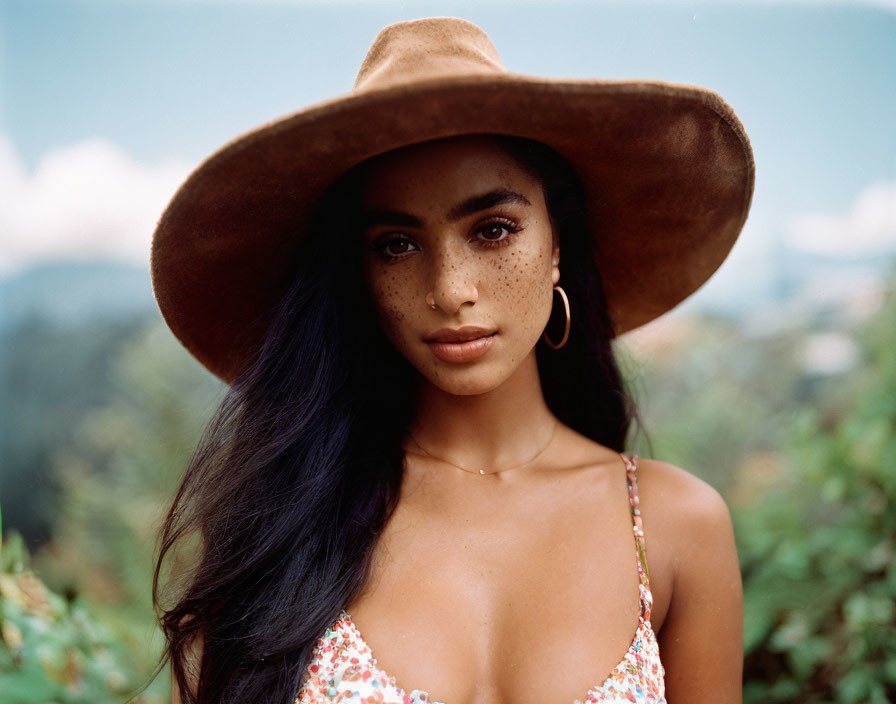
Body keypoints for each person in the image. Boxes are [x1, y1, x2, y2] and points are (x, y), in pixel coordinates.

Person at [150, 16, 754, 704]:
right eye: (396, 245)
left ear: (558, 243)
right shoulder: (279, 530)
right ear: (359, 273)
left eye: (493, 230)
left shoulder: (675, 527)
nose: (449, 289)